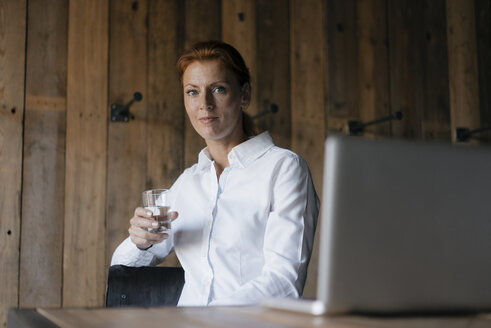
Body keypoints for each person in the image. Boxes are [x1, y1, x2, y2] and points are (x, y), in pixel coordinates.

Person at [111, 40, 319, 306]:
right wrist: (140, 241)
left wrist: (205, 319)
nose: (204, 104)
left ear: (244, 95)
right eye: (192, 92)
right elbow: (122, 269)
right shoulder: (188, 182)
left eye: (218, 89)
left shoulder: (284, 169)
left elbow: (284, 282)